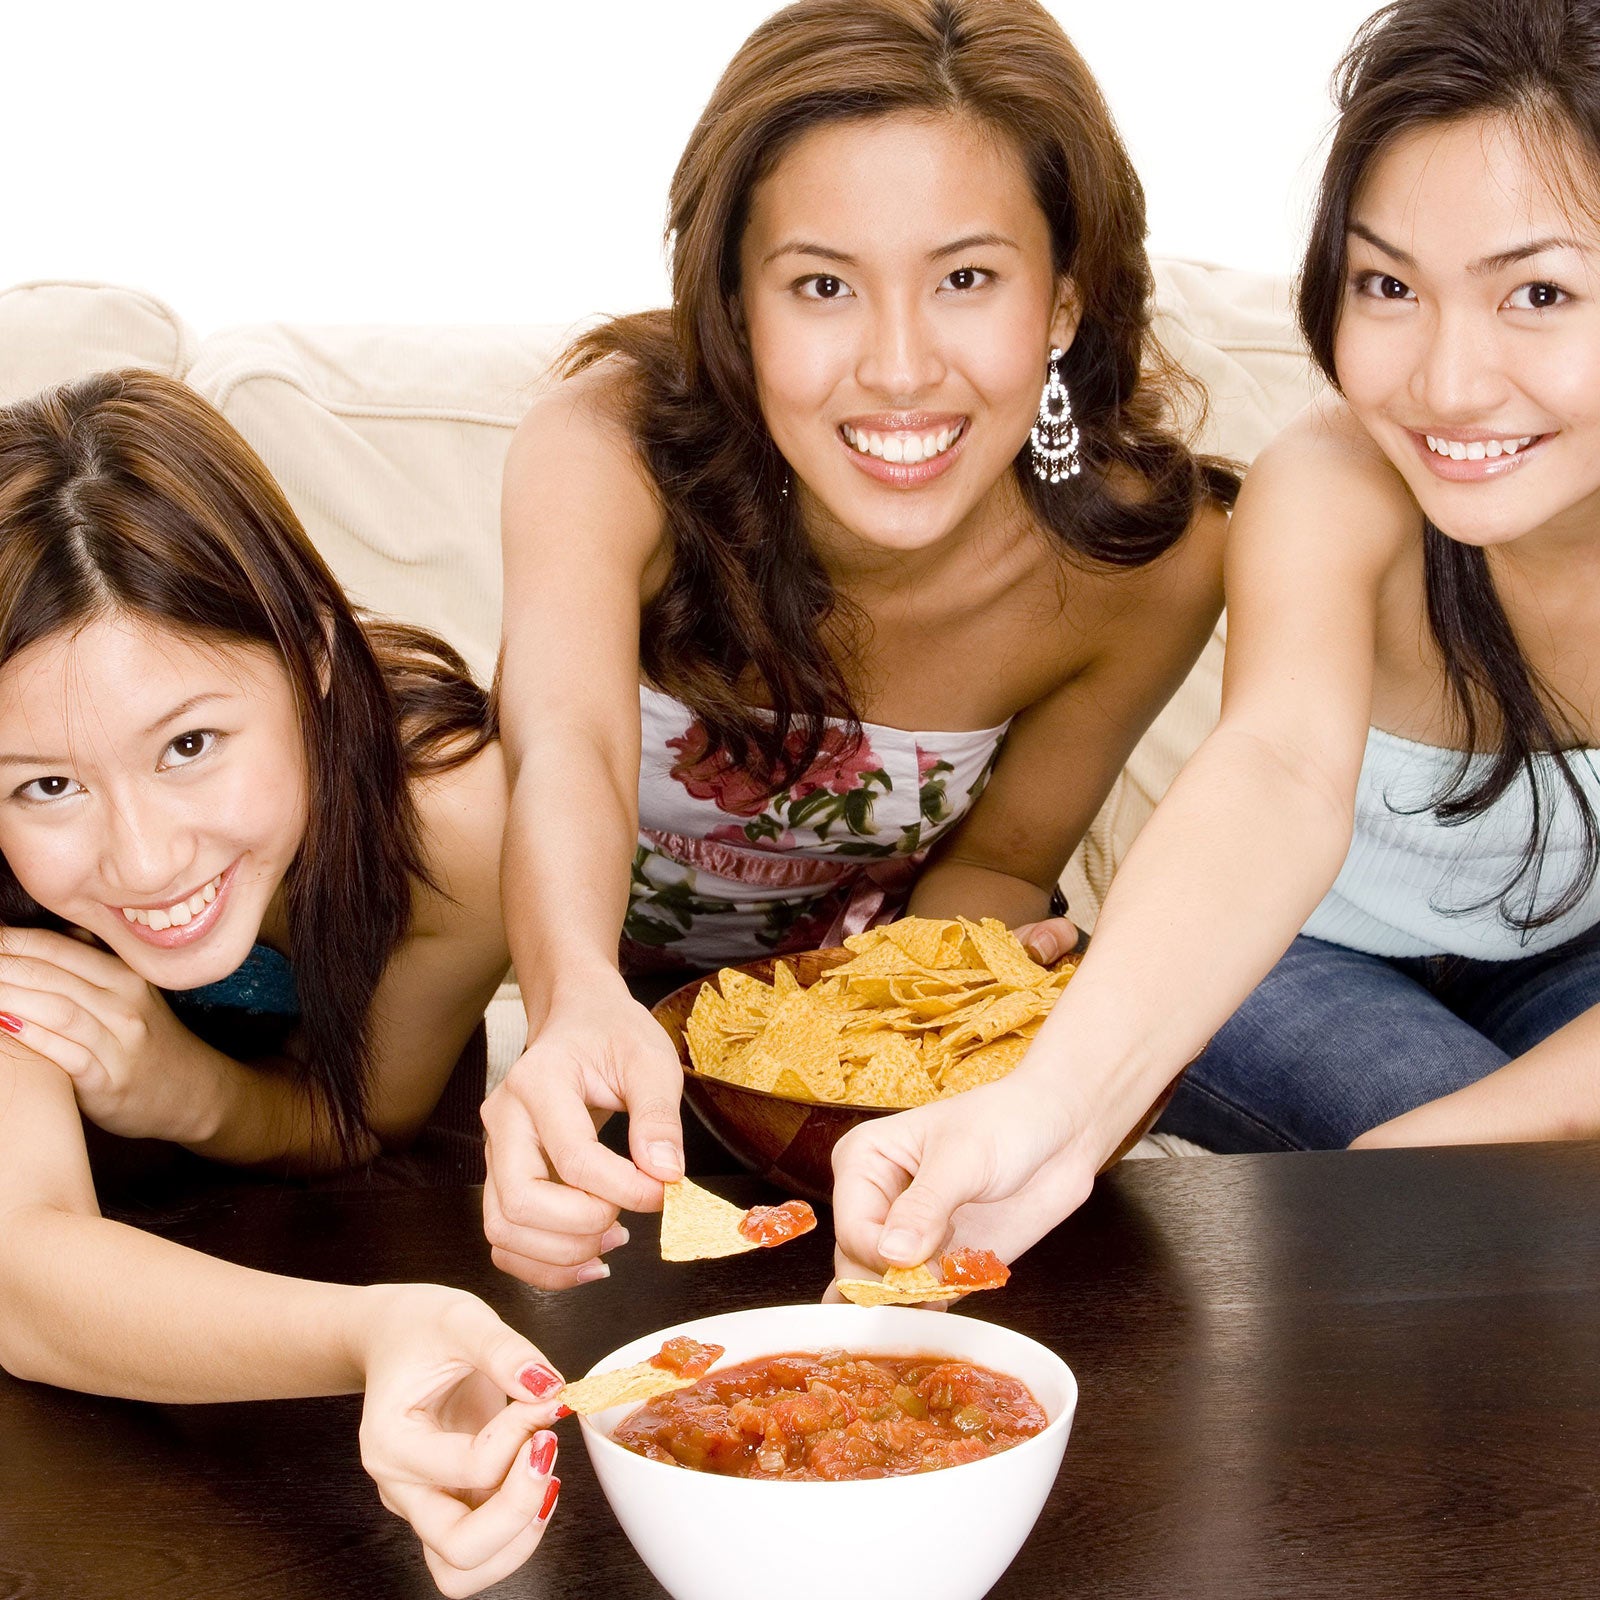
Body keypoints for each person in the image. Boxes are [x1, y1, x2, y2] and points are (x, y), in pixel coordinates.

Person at [830, 0, 1600, 1281]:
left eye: (1538, 292)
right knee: (1499, 1236)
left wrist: (1428, 1160)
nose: (1449, 382)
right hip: (1288, 959)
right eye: (1388, 284)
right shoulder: (1335, 483)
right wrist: (1047, 1112)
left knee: (1493, 1218)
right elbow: (1274, 777)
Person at [486, 0, 1236, 1290]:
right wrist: (570, 1004)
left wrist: (892, 1031)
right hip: (607, 1032)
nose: (896, 368)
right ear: (736, 299)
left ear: (1063, 299)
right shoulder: (603, 448)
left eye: (966, 279)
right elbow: (567, 750)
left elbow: (1002, 861)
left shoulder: (1149, 560)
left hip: (851, 1072)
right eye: (823, 285)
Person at [0, 371, 560, 1597]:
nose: (143, 858)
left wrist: (180, 1085)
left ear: (309, 658)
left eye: (189, 746)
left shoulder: (450, 813)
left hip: (372, 1217)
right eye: (45, 785)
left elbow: (371, 1119)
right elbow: (26, 1278)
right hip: (104, 1398)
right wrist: (368, 1336)